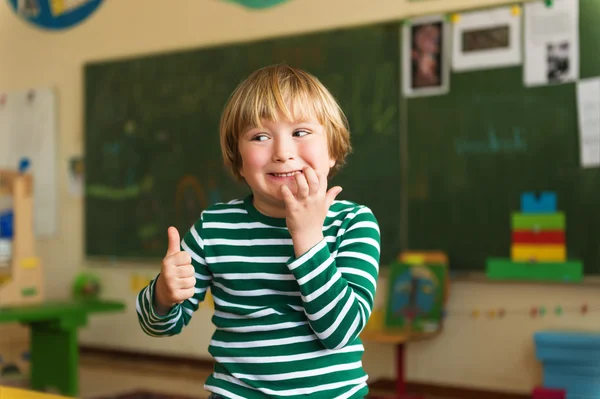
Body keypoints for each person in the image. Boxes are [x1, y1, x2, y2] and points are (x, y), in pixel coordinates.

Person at [136, 64, 381, 399]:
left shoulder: (354, 223)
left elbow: (340, 331)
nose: (282, 153)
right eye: (260, 137)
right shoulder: (214, 228)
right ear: (238, 159)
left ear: (333, 150)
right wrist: (164, 295)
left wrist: (308, 238)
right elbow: (157, 325)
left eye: (300, 132)